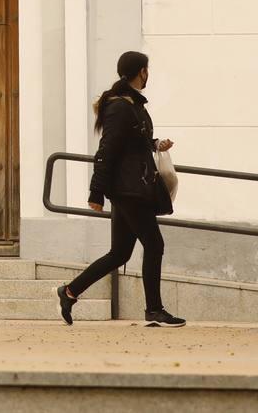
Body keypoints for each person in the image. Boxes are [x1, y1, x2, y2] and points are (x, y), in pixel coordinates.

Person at [56, 51, 185, 328]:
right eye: (147, 69)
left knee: (120, 254)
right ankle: (154, 310)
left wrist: (155, 144)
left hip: (133, 186)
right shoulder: (120, 106)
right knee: (154, 244)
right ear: (141, 71)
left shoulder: (133, 105)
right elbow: (106, 150)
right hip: (129, 190)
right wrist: (96, 192)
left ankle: (69, 292)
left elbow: (132, 142)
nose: (148, 74)